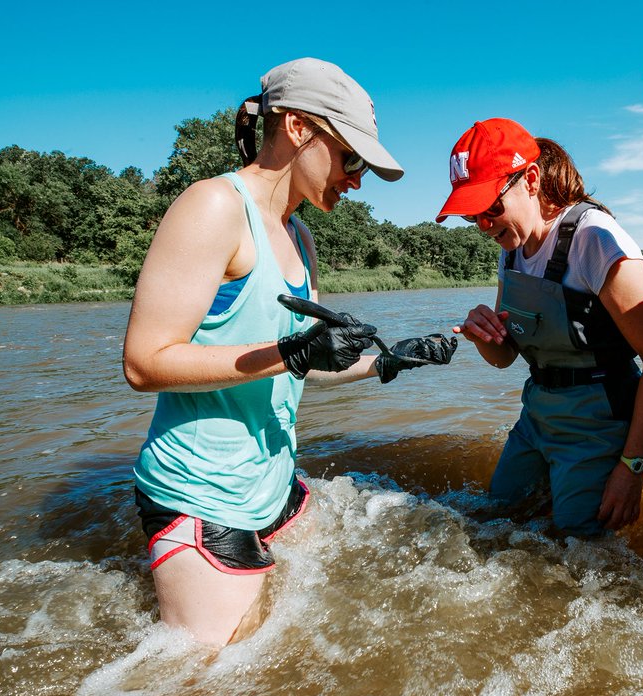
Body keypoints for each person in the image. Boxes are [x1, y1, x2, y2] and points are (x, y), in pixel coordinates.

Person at [122, 58, 456, 647]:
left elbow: (306, 361)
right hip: (205, 493)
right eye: (351, 158)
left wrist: (387, 361)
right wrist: (294, 351)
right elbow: (144, 364)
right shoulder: (213, 206)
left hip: (274, 482)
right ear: (299, 127)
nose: (356, 179)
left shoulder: (299, 234)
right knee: (205, 687)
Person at [438, 119, 643, 537]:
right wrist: (481, 336)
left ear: (530, 179)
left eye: (491, 208)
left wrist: (632, 467)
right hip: (537, 414)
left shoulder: (595, 238)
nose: (484, 226)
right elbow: (504, 356)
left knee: (577, 549)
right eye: (472, 215)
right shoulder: (509, 251)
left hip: (598, 422)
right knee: (492, 521)